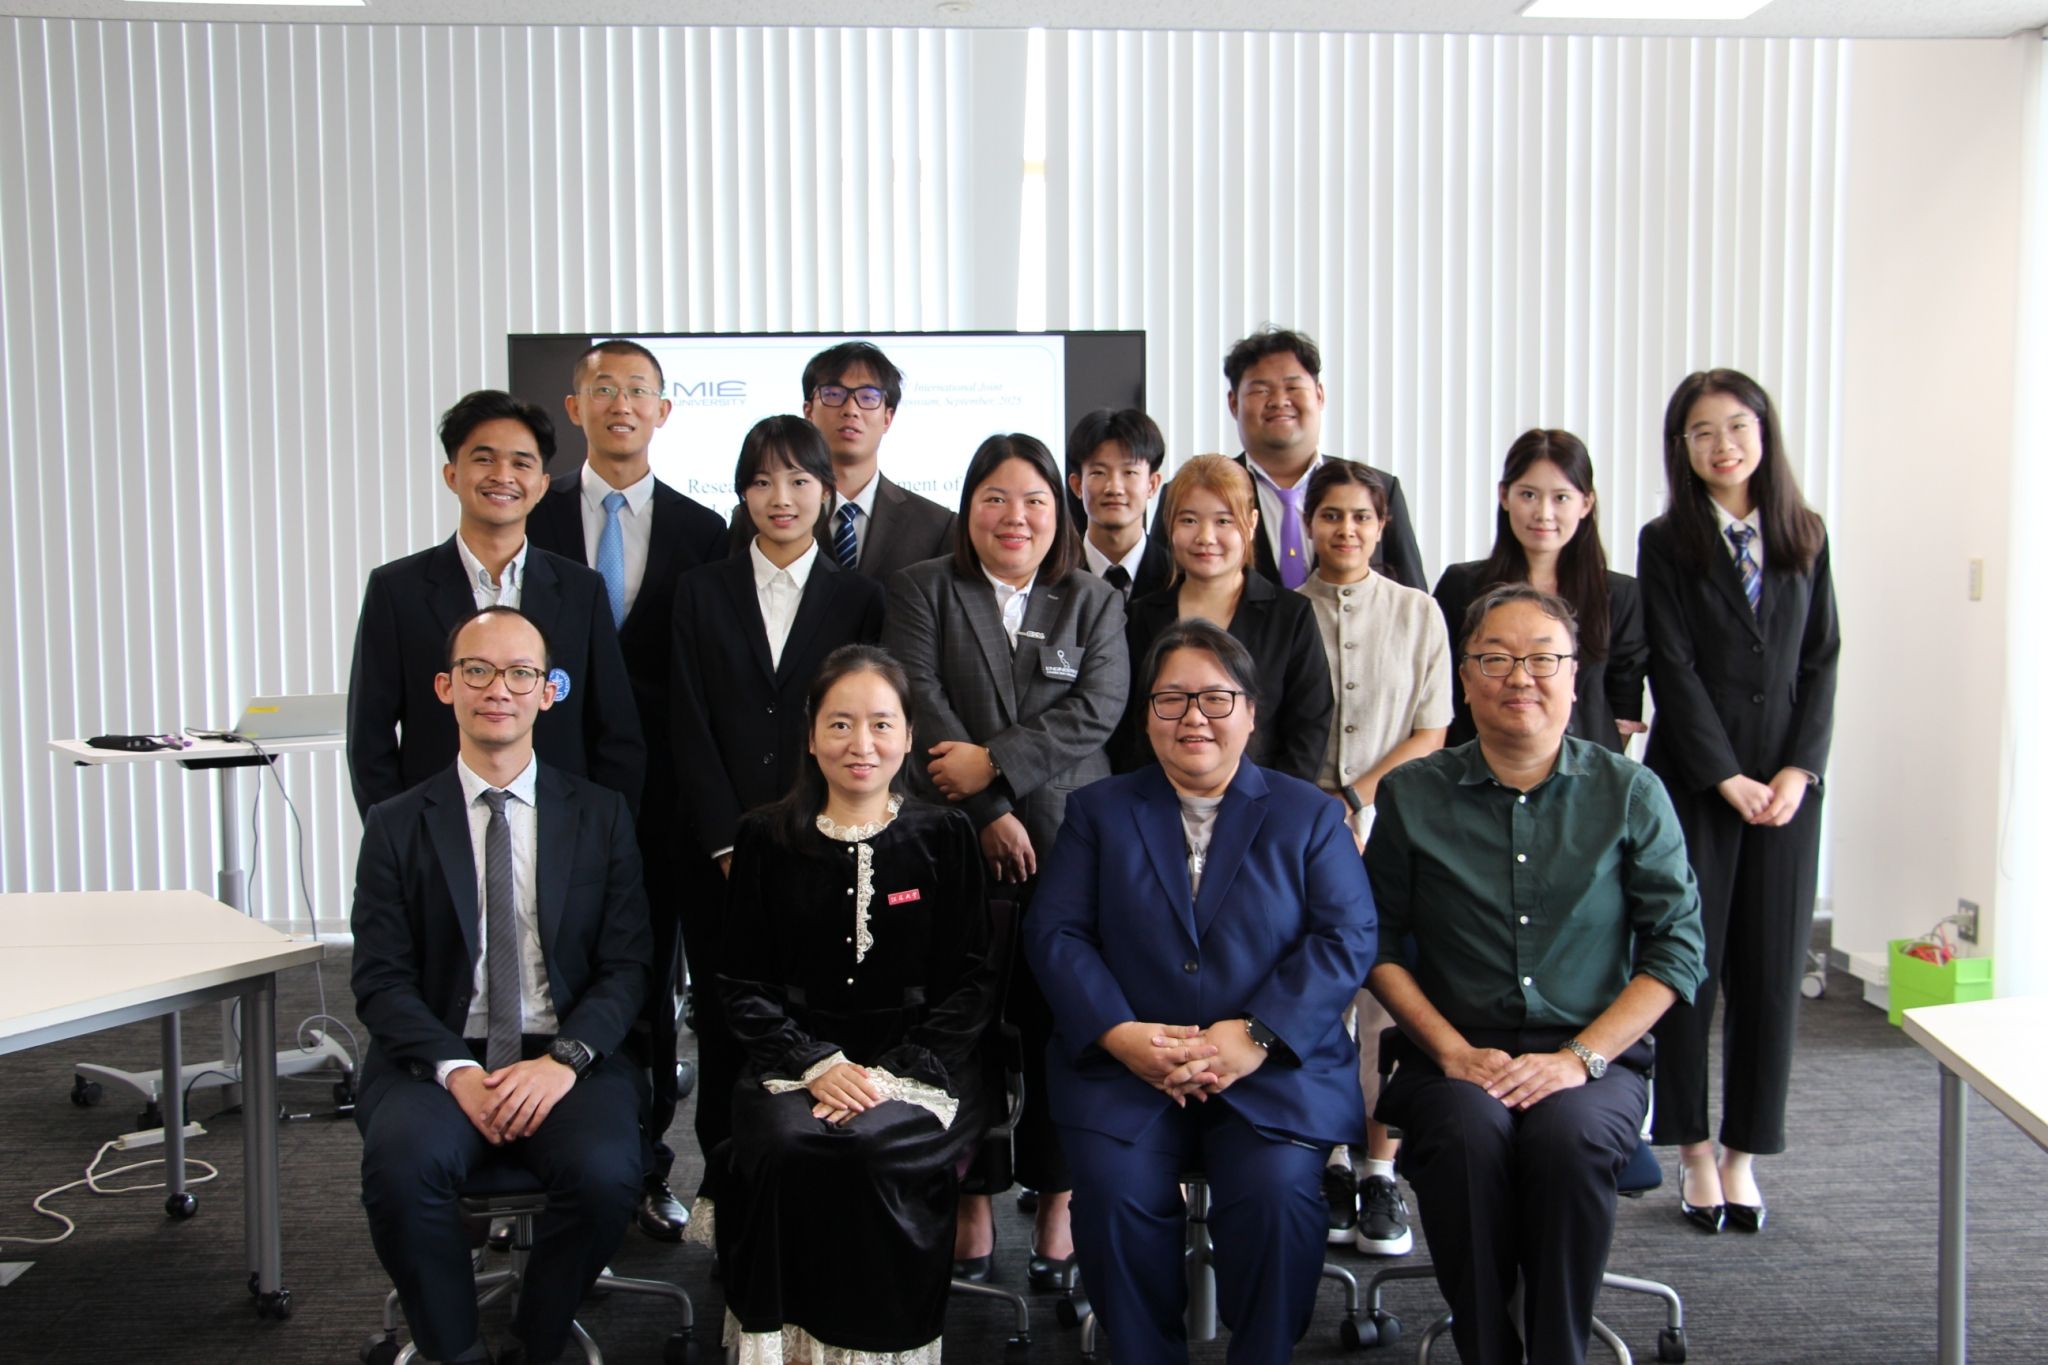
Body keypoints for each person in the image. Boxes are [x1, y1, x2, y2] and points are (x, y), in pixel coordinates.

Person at [1366, 584, 1706, 1365]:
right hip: (1455, 1052)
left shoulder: (1630, 792)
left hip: (1591, 1054)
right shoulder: (1413, 794)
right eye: (1496, 658)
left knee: (1568, 1137)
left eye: (1543, 659)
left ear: (1575, 676)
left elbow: (1676, 948)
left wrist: (1579, 1058)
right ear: (1465, 678)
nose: (1520, 676)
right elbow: (1375, 944)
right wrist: (1453, 1052)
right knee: (1466, 1134)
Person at [1027, 619, 1378, 1365]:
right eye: (1172, 699)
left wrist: (1254, 1035)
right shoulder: (1098, 811)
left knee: (1278, 1199)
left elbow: (1346, 937)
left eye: (1216, 699)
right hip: (1128, 1066)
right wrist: (1121, 1034)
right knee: (1115, 1198)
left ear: (1251, 712)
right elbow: (1057, 935)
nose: (1194, 717)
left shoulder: (1310, 814)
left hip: (1272, 1068)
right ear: (1146, 714)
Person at [352, 605, 653, 1365]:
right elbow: (380, 979)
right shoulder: (395, 823)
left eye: (521, 673)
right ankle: (454, 1350)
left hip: (564, 1052)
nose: (499, 689)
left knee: (607, 1175)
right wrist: (456, 1070)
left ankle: (535, 1340)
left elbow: (627, 966)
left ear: (549, 692)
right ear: (445, 686)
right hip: (438, 1055)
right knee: (402, 1170)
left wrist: (565, 1061)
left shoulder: (602, 815)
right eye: (479, 670)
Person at [699, 645, 998, 1364]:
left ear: (908, 735)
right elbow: (741, 981)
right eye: (839, 724)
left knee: (869, 1146)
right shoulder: (764, 836)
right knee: (788, 1143)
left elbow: (973, 981)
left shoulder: (946, 835)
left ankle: (881, 1349)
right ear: (810, 736)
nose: (861, 744)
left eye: (880, 724)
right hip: (793, 1056)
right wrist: (815, 1063)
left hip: (924, 1060)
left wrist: (893, 1075)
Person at [882, 432, 1129, 1287]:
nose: (1013, 516)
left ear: (1059, 512)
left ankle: (1058, 1197)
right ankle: (974, 1197)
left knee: (1067, 1024)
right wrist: (987, 809)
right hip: (952, 844)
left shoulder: (1091, 599)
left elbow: (1099, 706)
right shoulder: (923, 588)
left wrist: (996, 764)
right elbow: (917, 697)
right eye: (994, 497)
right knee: (965, 1028)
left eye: (1033, 500)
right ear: (968, 508)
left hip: (1073, 847)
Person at [525, 339, 730, 1242]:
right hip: (553, 799)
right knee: (557, 977)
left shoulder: (703, 529)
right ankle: (548, 1153)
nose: (621, 403)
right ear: (575, 407)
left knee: (652, 991)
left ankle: (645, 1168)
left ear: (663, 410)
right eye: (602, 388)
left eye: (638, 389)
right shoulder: (532, 518)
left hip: (670, 806)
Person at [1638, 368, 1840, 1235]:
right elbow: (1672, 666)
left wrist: (1799, 771)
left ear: (1764, 432)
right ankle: (1690, 1148)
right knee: (1692, 966)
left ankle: (1742, 1155)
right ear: (1681, 447)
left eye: (1736, 427)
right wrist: (1725, 774)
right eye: (1702, 431)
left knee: (1771, 971)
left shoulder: (1805, 533)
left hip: (1787, 790)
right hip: (1698, 783)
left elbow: (1822, 659)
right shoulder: (1666, 541)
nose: (1722, 445)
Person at [669, 415, 887, 1200]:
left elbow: (861, 727)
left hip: (817, 848)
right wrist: (729, 843)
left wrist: (811, 833)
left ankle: (815, 1187)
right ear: (742, 494)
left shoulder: (859, 598)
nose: (781, 497)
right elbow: (687, 721)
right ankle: (726, 1191)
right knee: (724, 1021)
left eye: (799, 479)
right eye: (761, 481)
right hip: (719, 858)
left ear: (827, 491)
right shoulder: (700, 590)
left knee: (815, 1016)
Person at [346, 390, 643, 819]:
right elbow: (369, 739)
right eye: (484, 459)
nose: (503, 476)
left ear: (542, 485)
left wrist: (601, 833)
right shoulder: (396, 590)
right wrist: (400, 837)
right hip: (438, 828)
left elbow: (616, 732)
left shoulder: (581, 590)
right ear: (452, 474)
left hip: (561, 830)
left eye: (521, 463)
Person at [1294, 458, 1451, 1256]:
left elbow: (1432, 729)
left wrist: (1354, 796)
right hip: (1301, 831)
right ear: (1307, 524)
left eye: (1361, 516)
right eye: (1331, 515)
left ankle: (1381, 1171)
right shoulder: (1285, 612)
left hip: (1393, 825)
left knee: (1385, 998)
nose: (1346, 529)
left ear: (1383, 525)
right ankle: (1327, 1159)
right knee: (1317, 998)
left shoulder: (1419, 612)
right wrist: (1318, 808)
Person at [1432, 429, 1648, 752]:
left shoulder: (1619, 594)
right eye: (1528, 495)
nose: (1543, 513)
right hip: (1478, 764)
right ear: (1504, 496)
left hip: (1584, 769)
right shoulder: (1461, 585)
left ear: (1586, 503)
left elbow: (1623, 708)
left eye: (1561, 498)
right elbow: (1439, 693)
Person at [1123, 454, 1332, 782]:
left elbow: (1310, 727)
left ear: (1251, 523)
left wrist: (1277, 802)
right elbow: (1130, 728)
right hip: (1158, 797)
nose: (1205, 537)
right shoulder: (1140, 615)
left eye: (1223, 521)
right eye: (1189, 520)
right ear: (1169, 524)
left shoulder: (1291, 615)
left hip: (1267, 799)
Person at [1201, 326, 1425, 590]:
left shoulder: (1380, 489)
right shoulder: (1197, 493)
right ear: (1233, 403)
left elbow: (1413, 599)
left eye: (1293, 387)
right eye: (1261, 390)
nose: (1279, 401)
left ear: (1319, 395)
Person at [730, 340, 956, 580]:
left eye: (868, 397)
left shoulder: (937, 525)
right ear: (808, 412)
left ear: (887, 418)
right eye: (834, 395)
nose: (850, 410)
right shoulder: (756, 516)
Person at [1066, 407, 1172, 601]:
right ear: (1077, 485)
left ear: (1152, 484)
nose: (1114, 488)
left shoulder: (1176, 577)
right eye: (1098, 472)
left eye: (1129, 472)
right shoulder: (1052, 575)